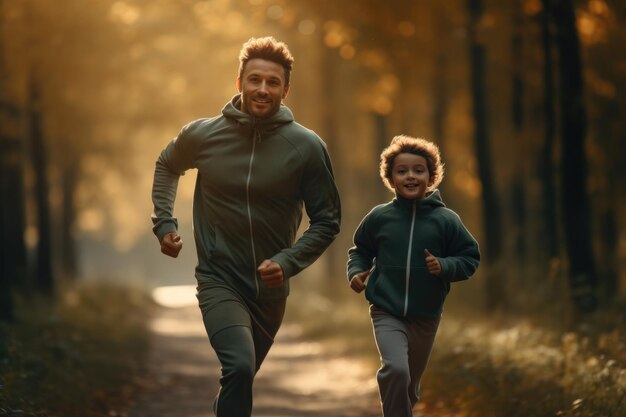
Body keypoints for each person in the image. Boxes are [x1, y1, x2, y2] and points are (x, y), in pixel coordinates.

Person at [151, 36, 341, 417]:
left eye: (273, 82)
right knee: (237, 366)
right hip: (219, 277)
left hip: (270, 291)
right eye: (255, 79)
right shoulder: (202, 135)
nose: (262, 89)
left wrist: (288, 261)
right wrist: (164, 222)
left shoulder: (306, 147)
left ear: (286, 89)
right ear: (239, 82)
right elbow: (167, 165)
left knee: (241, 377)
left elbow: (327, 221)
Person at [347, 135, 479, 417]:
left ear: (431, 178)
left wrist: (444, 266)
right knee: (396, 369)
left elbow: (469, 257)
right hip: (386, 309)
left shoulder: (446, 220)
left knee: (409, 385)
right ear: (391, 178)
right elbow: (360, 250)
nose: (410, 176)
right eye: (402, 171)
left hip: (426, 313)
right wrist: (357, 272)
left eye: (418, 170)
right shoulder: (379, 217)